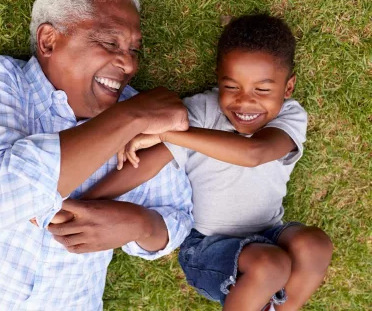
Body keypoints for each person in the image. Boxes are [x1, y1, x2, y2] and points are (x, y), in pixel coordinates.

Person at [0, 0, 194, 310]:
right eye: (110, 42)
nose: (129, 64)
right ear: (48, 41)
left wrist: (137, 224)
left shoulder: (142, 116)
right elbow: (1, 196)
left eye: (134, 49)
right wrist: (130, 117)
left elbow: (176, 219)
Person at [78, 15, 333, 311]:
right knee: (270, 264)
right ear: (218, 78)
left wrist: (168, 133)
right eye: (232, 87)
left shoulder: (289, 116)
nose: (245, 103)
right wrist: (87, 200)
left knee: (315, 245)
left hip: (270, 233)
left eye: (262, 90)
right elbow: (149, 163)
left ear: (287, 88)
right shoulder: (200, 111)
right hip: (206, 248)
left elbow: (255, 153)